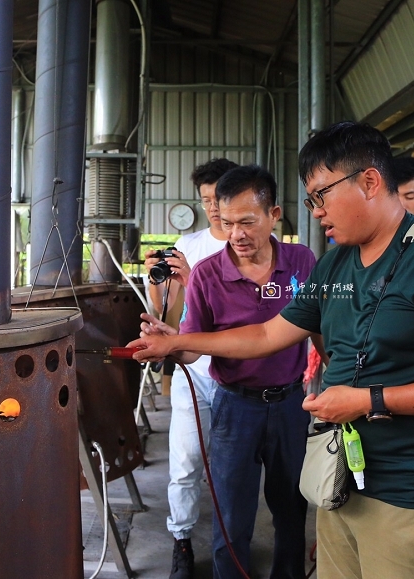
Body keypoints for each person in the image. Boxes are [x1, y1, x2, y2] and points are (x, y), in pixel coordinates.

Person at [130, 122, 414, 579]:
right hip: (343, 480)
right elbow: (268, 334)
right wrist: (176, 341)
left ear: (369, 181)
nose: (315, 212)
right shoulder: (337, 263)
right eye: (310, 200)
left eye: (320, 196)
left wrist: (369, 399)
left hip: (412, 491)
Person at [142, 164, 317, 579]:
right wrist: (169, 337)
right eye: (226, 222)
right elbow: (188, 352)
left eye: (247, 222)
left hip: (291, 403)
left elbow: (319, 325)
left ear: (274, 215)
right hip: (235, 408)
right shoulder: (206, 275)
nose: (236, 233)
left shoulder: (301, 261)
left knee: (292, 509)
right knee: (231, 517)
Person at [144, 158, 238, 579]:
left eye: (219, 198)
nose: (213, 208)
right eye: (206, 200)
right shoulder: (187, 245)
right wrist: (160, 285)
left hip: (238, 376)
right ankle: (181, 540)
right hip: (191, 374)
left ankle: (230, 543)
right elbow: (169, 319)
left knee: (232, 467)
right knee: (184, 462)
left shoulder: (248, 244)